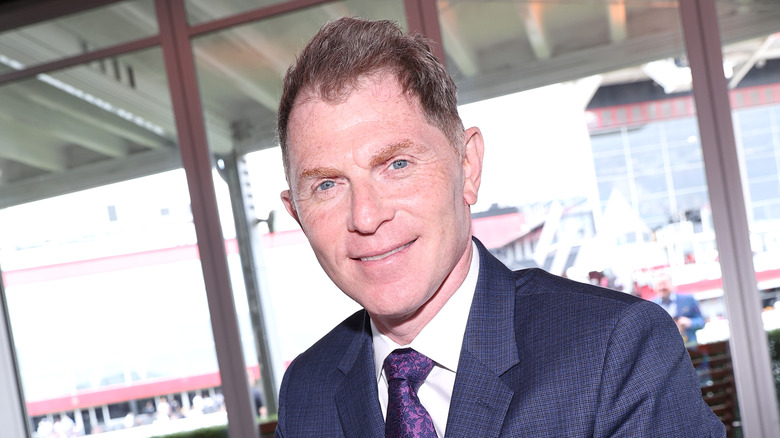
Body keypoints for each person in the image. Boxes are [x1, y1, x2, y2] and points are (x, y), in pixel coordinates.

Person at [274, 16, 724, 437]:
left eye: (397, 163)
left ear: (468, 167)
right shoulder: (305, 392)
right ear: (297, 214)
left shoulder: (615, 351)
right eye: (328, 185)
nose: (367, 217)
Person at [652, 270, 706, 346]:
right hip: (666, 352)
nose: (662, 287)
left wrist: (689, 322)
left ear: (671, 284)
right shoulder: (650, 306)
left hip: (691, 349)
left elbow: (702, 322)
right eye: (658, 284)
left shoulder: (689, 300)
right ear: (654, 287)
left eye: (664, 283)